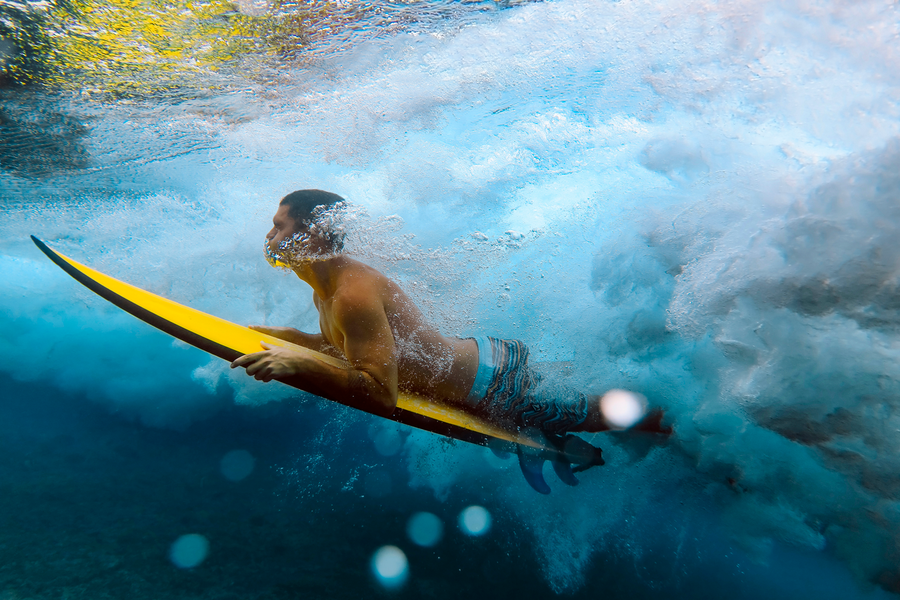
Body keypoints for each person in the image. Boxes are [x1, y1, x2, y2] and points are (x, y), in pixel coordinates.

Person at [231, 190, 668, 492]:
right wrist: (294, 340)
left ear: (317, 235)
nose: (270, 237)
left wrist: (299, 364)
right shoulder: (324, 289)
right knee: (581, 411)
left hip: (496, 387)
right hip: (480, 366)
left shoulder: (351, 295)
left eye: (279, 226)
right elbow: (356, 350)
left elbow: (381, 392)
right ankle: (633, 425)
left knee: (597, 414)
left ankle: (682, 430)